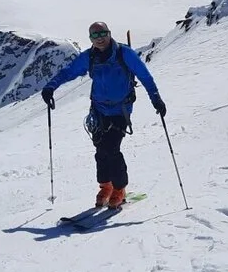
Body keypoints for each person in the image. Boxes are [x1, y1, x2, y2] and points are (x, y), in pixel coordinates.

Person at [41, 21, 166, 209]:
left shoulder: (125, 54)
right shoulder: (90, 57)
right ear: (90, 38)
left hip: (120, 110)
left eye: (102, 34)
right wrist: (51, 86)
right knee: (101, 151)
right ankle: (106, 186)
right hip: (98, 110)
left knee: (111, 149)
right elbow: (69, 72)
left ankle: (119, 189)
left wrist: (156, 99)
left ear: (109, 33)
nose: (99, 39)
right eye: (94, 36)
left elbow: (145, 76)